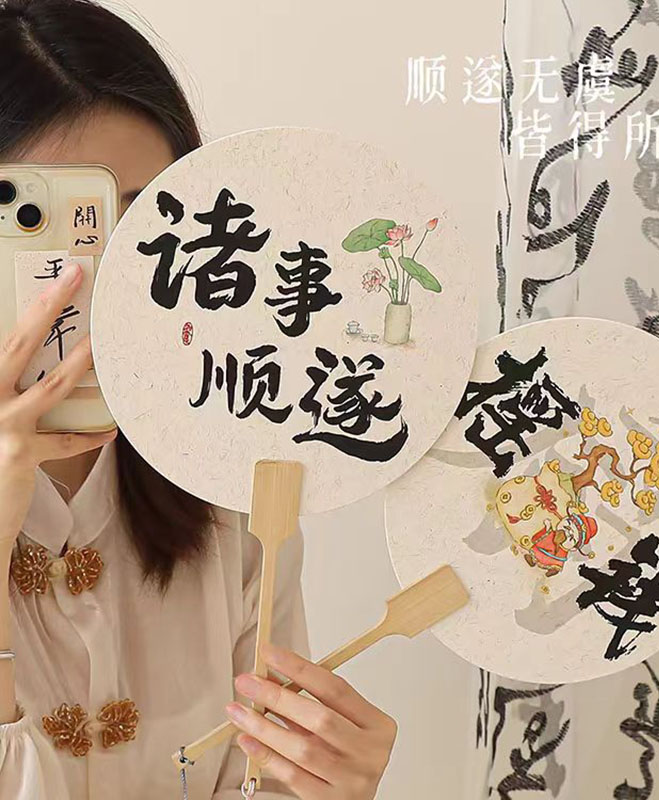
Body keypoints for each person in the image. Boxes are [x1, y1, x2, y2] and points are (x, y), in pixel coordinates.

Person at [0, 1, 397, 798]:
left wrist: (323, 785)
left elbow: (261, 778)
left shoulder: (230, 491)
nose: (97, 279)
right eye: (56, 227)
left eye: (142, 222)